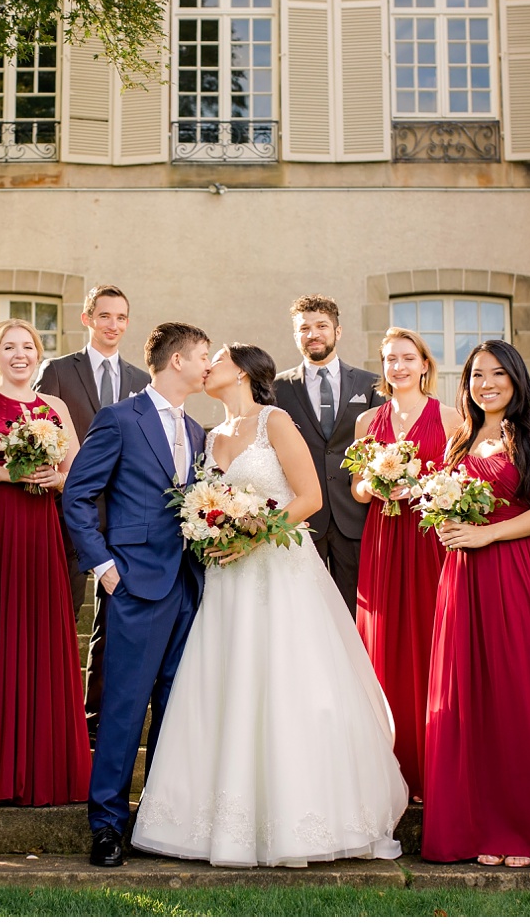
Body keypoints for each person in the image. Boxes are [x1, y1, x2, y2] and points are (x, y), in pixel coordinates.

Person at [131, 343, 408, 868]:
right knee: (227, 686)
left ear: (241, 371)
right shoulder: (209, 437)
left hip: (279, 570)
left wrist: (254, 536)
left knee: (290, 684)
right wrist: (208, 531)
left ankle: (303, 818)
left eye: (216, 359)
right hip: (227, 579)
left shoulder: (274, 420)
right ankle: (220, 822)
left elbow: (309, 498)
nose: (207, 365)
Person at [422, 340, 530, 869]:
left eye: (496, 374)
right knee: (468, 697)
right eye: (475, 375)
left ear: (515, 379)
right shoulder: (459, 439)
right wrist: (449, 524)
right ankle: (475, 827)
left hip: (513, 572)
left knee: (518, 692)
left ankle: (525, 831)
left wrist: (487, 536)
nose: (485, 384)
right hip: (462, 578)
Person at [60, 322, 210, 868]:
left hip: (187, 587)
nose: (208, 364)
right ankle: (106, 825)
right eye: (201, 356)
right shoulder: (120, 419)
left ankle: (158, 820)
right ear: (176, 362)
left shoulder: (197, 432)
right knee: (123, 709)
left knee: (174, 707)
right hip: (132, 583)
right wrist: (103, 567)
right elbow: (78, 494)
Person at [0, 318, 91, 807]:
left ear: (39, 355)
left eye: (28, 347)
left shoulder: (54, 407)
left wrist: (52, 480)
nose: (20, 354)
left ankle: (43, 771)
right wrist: (7, 471)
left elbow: (75, 474)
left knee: (41, 640)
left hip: (41, 532)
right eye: (9, 347)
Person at [350, 327, 462, 801]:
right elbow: (356, 488)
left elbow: (457, 483)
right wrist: (373, 486)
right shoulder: (367, 422)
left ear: (424, 363)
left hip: (426, 540)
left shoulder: (452, 417)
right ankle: (385, 766)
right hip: (382, 538)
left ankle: (431, 763)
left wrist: (419, 487)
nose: (398, 366)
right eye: (390, 359)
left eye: (407, 358)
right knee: (382, 642)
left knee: (426, 639)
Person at [36, 284, 151, 745]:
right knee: (59, 614)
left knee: (111, 625)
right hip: (67, 512)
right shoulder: (59, 372)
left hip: (121, 515)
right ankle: (52, 715)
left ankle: (95, 722)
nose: (113, 325)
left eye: (121, 317)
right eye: (104, 316)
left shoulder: (142, 379)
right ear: (87, 319)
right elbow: (39, 431)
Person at [274, 295, 385, 616]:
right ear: (296, 335)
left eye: (321, 326)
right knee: (303, 611)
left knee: (359, 611)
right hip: (302, 520)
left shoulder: (370, 385)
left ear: (338, 331)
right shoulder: (276, 388)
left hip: (355, 516)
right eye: (304, 328)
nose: (313, 334)